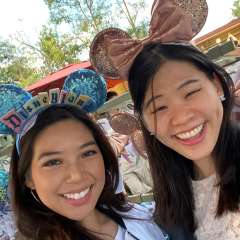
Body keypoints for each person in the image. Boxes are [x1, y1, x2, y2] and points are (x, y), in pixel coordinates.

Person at [89, 0, 240, 239]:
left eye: (190, 92)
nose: (181, 118)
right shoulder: (167, 209)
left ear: (217, 85)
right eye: (159, 108)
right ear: (145, 123)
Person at [0, 70, 167, 240]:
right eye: (53, 162)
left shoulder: (140, 215)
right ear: (28, 178)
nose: (77, 175)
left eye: (88, 153)